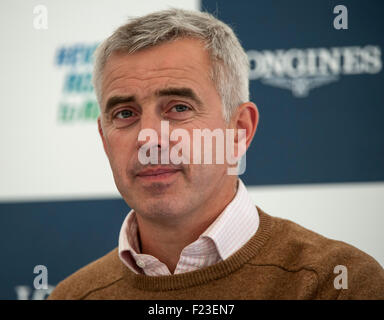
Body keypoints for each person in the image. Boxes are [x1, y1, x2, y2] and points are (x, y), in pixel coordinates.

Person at [48, 8, 384, 300]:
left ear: (239, 130)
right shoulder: (72, 295)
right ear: (104, 139)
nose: (149, 138)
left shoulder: (336, 284)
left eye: (179, 108)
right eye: (124, 114)